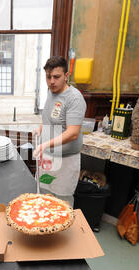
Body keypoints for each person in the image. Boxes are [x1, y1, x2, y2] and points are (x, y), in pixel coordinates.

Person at [33, 56, 86, 207]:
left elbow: (73, 132)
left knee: (62, 202)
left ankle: (61, 231)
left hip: (65, 162)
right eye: (48, 77)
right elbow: (51, 119)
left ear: (66, 76)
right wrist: (41, 129)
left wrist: (45, 145)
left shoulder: (74, 99)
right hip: (48, 160)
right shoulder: (51, 92)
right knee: (44, 194)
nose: (51, 81)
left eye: (56, 77)